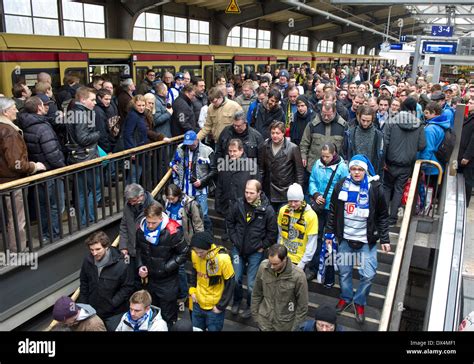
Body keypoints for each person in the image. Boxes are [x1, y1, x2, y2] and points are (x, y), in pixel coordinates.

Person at [325, 155, 391, 325]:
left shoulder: (375, 188)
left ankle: (359, 301)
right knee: (344, 272)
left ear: (365, 170)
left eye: (360, 169)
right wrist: (329, 234)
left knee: (368, 275)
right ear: (350, 170)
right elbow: (333, 211)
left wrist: (384, 238)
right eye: (353, 169)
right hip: (346, 240)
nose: (356, 172)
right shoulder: (341, 186)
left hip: (366, 242)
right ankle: (346, 297)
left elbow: (383, 215)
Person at [226, 179, 278, 319]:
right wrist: (234, 239)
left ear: (259, 193)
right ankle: (236, 301)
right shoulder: (238, 204)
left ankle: (250, 306)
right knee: (236, 278)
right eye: (246, 192)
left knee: (251, 284)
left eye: (251, 193)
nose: (248, 195)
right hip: (238, 248)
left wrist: (262, 246)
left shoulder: (267, 210)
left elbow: (272, 234)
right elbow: (229, 223)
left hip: (256, 251)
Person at [0, 97, 46, 252]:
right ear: (5, 112)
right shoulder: (9, 132)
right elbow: (15, 163)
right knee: (17, 217)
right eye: (14, 108)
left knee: (11, 215)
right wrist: (33, 166)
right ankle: (18, 249)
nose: (17, 110)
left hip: (4, 180)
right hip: (13, 181)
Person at [135, 201, 189, 327]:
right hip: (149, 280)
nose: (150, 225)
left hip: (167, 280)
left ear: (161, 218)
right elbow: (138, 250)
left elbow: (184, 253)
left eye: (154, 223)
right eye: (148, 222)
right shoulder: (141, 229)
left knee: (167, 316)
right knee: (151, 313)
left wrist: (166, 267)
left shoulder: (173, 231)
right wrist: (140, 265)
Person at [306, 143, 349, 281]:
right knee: (316, 237)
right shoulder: (318, 164)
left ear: (334, 153)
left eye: (327, 156)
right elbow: (312, 181)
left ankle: (331, 269)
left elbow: (345, 187)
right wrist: (316, 194)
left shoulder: (342, 167)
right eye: (323, 156)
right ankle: (314, 267)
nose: (325, 159)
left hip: (333, 208)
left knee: (331, 238)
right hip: (319, 207)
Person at [78, 231, 134, 331]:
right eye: (91, 250)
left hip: (114, 313)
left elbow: (127, 287)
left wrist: (112, 303)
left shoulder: (122, 263)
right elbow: (84, 283)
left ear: (107, 246)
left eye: (98, 249)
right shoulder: (87, 261)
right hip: (92, 311)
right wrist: (84, 304)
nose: (94, 253)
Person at [383, 97, 426, 225]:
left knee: (386, 188)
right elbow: (422, 145)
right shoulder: (419, 124)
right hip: (407, 164)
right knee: (399, 189)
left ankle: (383, 217)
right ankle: (392, 218)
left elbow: (385, 143)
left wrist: (383, 161)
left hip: (390, 162)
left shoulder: (391, 121)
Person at [251, 244, 308, 331]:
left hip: (285, 326)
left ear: (284, 259)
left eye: (275, 264)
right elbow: (256, 293)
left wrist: (295, 328)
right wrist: (256, 317)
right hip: (264, 323)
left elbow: (302, 307)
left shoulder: (298, 276)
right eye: (270, 262)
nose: (272, 267)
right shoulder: (263, 267)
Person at [164, 183, 204, 300]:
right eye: (168, 198)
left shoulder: (189, 204)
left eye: (173, 198)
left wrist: (199, 241)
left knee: (186, 266)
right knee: (178, 267)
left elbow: (198, 223)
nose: (171, 201)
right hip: (171, 239)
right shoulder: (167, 203)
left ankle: (187, 292)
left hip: (186, 239)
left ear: (178, 195)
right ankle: (182, 292)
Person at [171, 130, 217, 232]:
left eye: (191, 143)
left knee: (202, 215)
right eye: (187, 143)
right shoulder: (180, 148)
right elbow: (173, 161)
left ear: (197, 140)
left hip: (201, 190)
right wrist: (173, 165)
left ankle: (207, 237)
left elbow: (214, 170)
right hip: (184, 189)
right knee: (186, 214)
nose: (189, 145)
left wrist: (202, 181)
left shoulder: (207, 150)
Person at [189, 231, 235, 331]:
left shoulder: (223, 259)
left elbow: (230, 284)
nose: (198, 254)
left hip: (214, 308)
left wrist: (220, 307)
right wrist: (192, 291)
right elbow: (194, 272)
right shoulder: (194, 254)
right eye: (196, 251)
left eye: (201, 252)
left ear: (209, 248)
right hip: (197, 303)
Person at [258, 121, 304, 212]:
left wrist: (298, 191)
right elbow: (261, 170)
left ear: (283, 133)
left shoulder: (292, 148)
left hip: (285, 192)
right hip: (268, 191)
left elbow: (299, 172)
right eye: (272, 133)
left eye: (277, 133)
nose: (275, 135)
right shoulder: (264, 146)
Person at [119, 183, 157, 286]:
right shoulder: (128, 206)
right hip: (132, 252)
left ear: (141, 196)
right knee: (134, 283)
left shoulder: (155, 206)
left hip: (148, 254)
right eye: (130, 201)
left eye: (133, 201)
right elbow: (124, 226)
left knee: (149, 284)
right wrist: (123, 246)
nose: (131, 203)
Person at [277, 183, 318, 270]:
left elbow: (312, 242)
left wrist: (303, 263)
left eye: (296, 201)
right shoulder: (283, 210)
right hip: (283, 256)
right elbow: (280, 234)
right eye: (290, 201)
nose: (293, 204)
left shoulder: (311, 215)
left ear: (302, 200)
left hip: (299, 260)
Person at [344, 105, 384, 176]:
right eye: (363, 120)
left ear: (372, 120)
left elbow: (380, 158)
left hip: (371, 172)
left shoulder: (378, 135)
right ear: (359, 118)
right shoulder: (351, 133)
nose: (365, 123)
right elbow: (345, 152)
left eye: (368, 121)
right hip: (353, 171)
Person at [458, 98, 474, 207]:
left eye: (472, 103)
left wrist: (467, 156)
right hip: (461, 153)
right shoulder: (468, 116)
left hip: (469, 157)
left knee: (468, 180)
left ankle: (465, 203)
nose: (469, 104)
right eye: (469, 102)